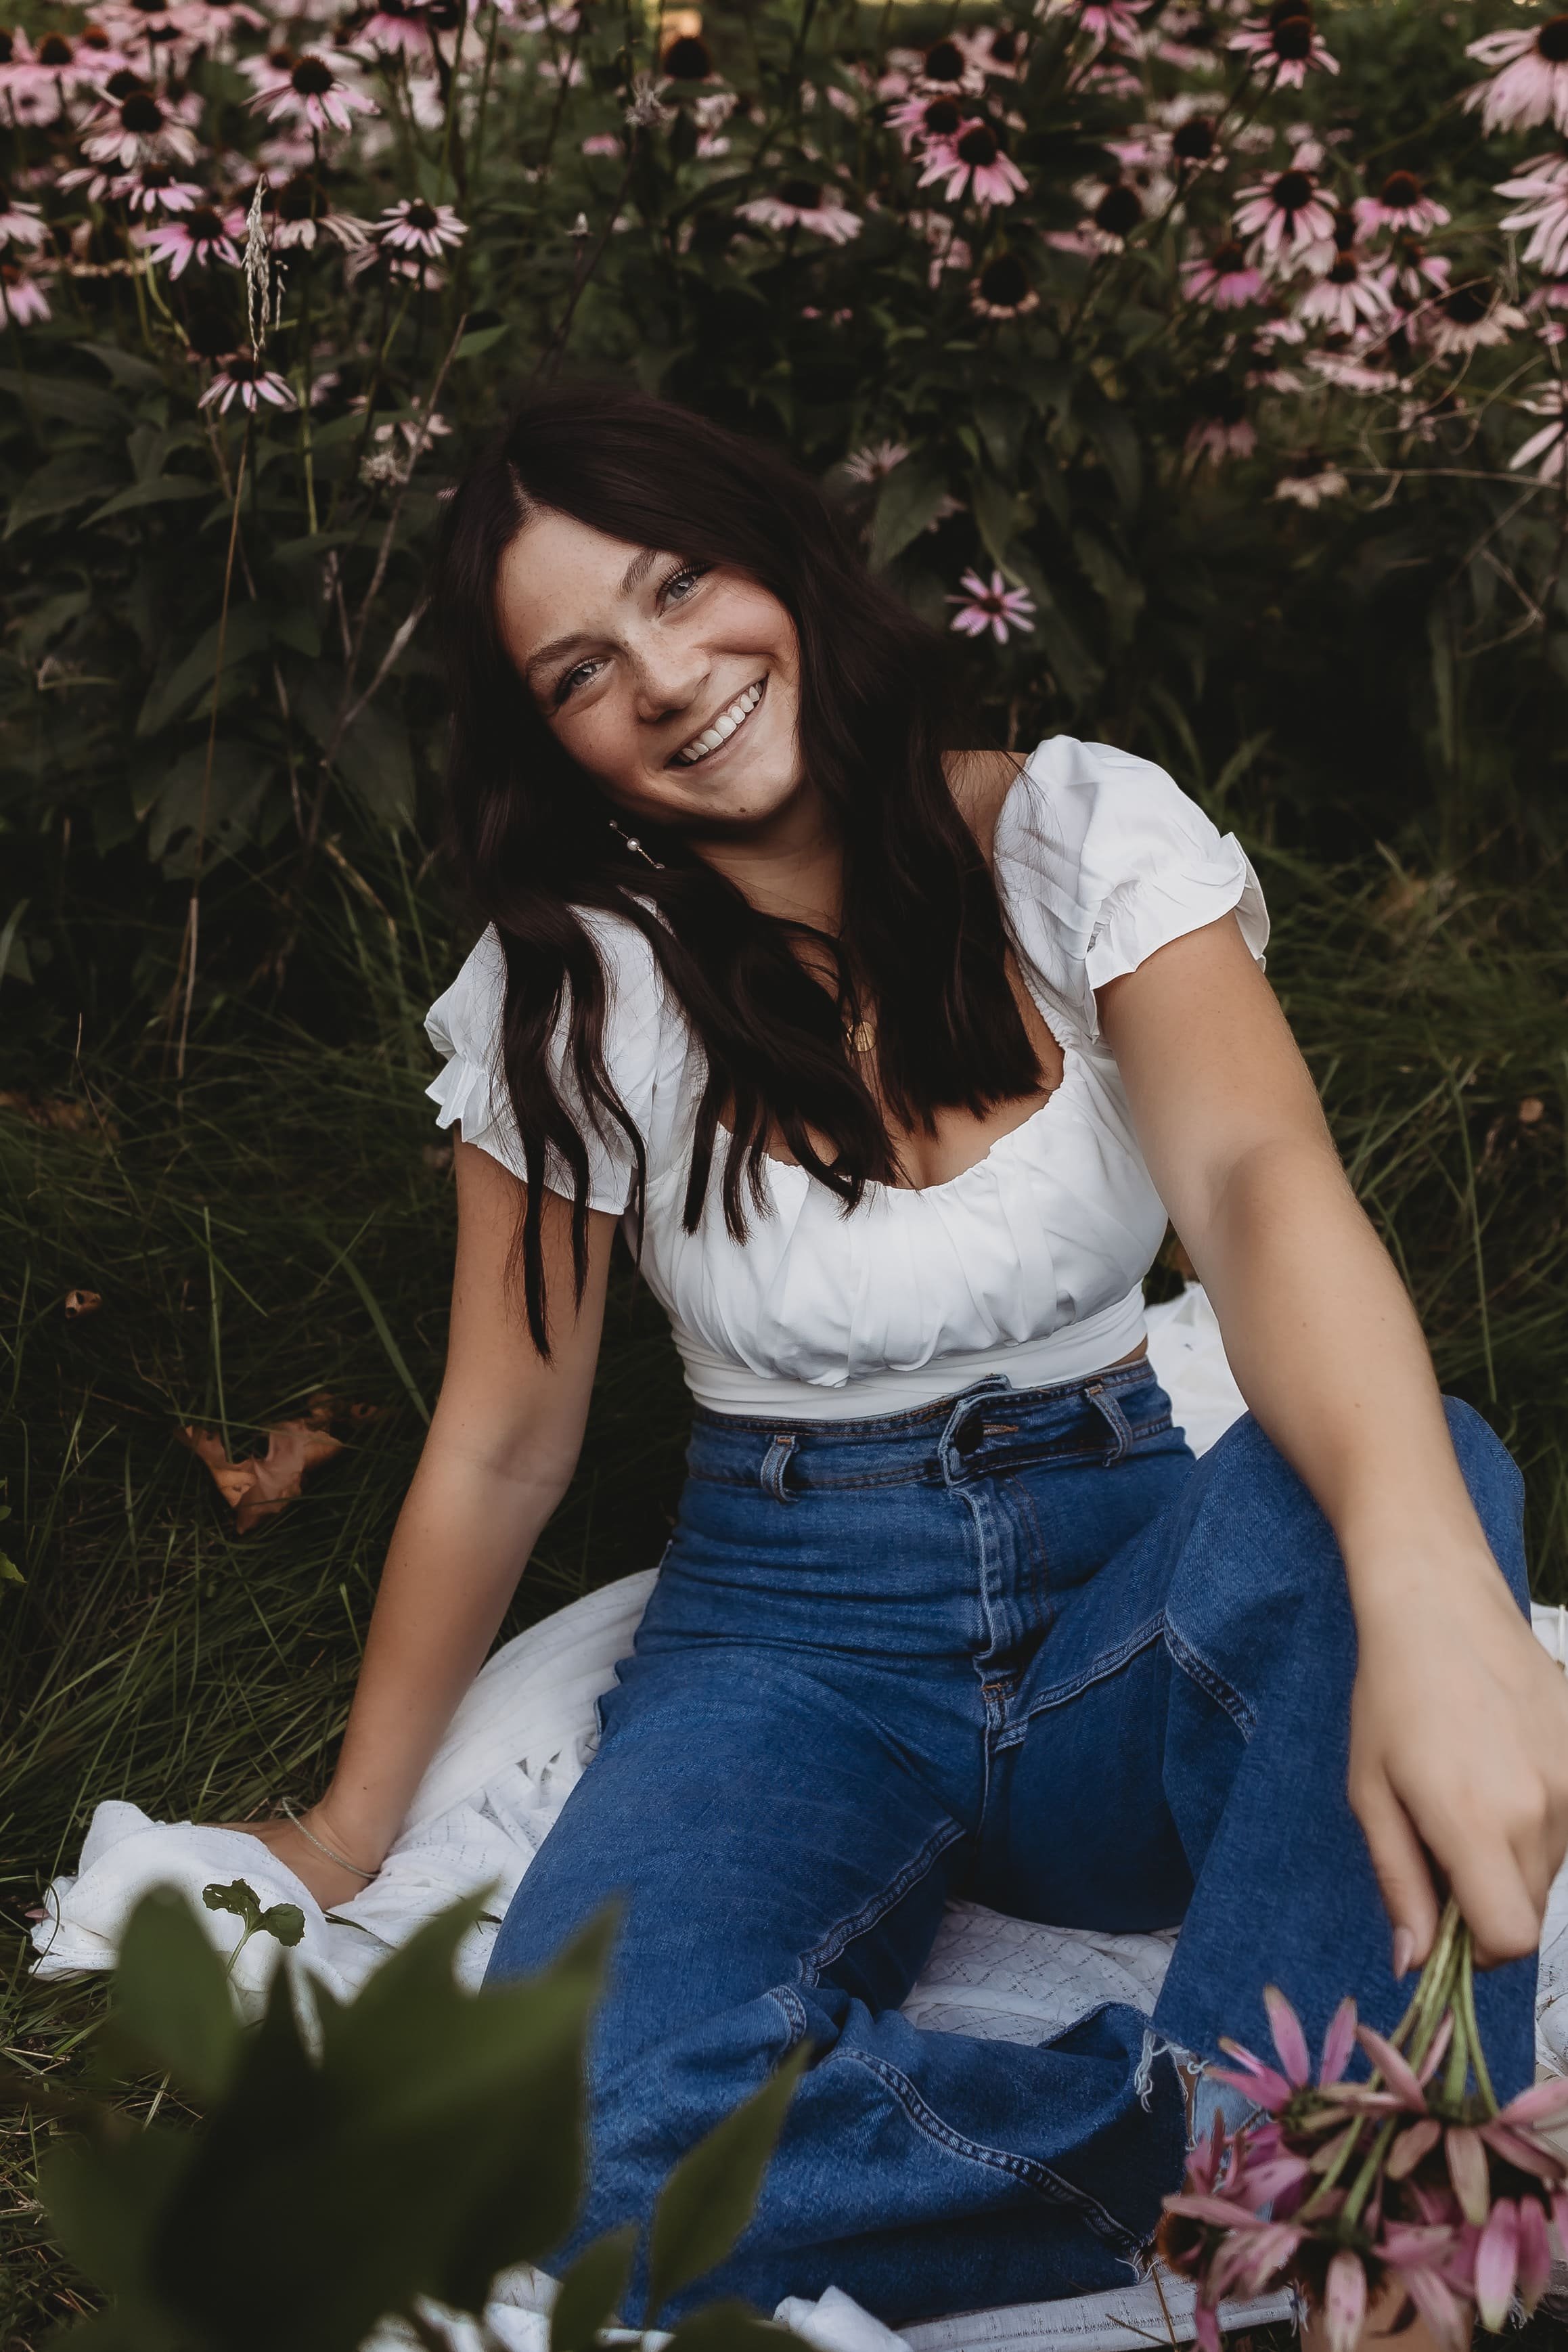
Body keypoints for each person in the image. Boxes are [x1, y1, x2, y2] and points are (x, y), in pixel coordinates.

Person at [231, 386, 1568, 2330]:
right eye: (586, 667)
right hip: (792, 1639)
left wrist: (1442, 1589)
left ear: (779, 555)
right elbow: (508, 1440)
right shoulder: (571, 990)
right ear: (550, 739)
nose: (672, 674)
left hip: (1121, 1585)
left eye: (683, 585)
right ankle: (1256, 2173)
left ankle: (1364, 2235)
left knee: (1407, 1473)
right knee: (573, 2129)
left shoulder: (1075, 836)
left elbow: (1267, 1188)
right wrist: (355, 1826)